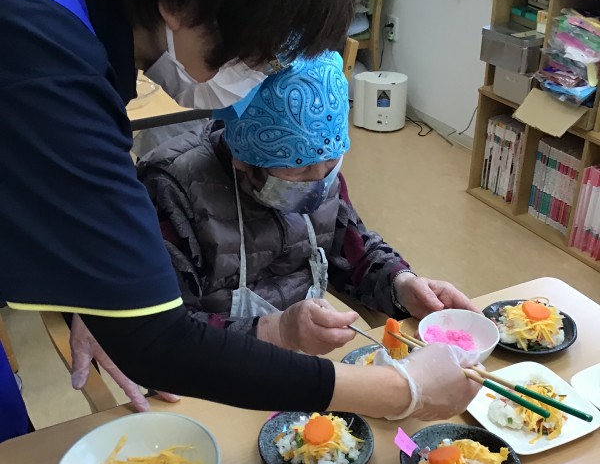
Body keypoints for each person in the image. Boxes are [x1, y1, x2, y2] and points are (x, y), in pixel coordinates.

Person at [0, 0, 480, 432]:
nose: (260, 78)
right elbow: (156, 340)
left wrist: (400, 284)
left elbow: (351, 247)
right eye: (264, 55)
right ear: (184, 2)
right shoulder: (39, 53)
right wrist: (400, 390)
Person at [132, 51, 477, 361]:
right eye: (298, 170)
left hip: (298, 363)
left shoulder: (320, 170)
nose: (319, 182)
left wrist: (402, 285)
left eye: (331, 163)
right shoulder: (172, 189)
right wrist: (277, 331)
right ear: (244, 160)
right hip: (209, 372)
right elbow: (167, 332)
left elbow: (354, 252)